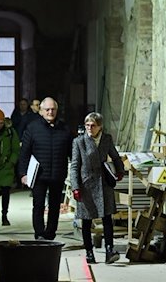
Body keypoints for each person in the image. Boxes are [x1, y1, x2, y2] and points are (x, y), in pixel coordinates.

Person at [70, 112, 124, 264]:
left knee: (107, 218)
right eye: (87, 125)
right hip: (86, 185)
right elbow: (74, 166)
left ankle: (109, 250)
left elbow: (115, 155)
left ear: (100, 127)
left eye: (93, 125)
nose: (89, 128)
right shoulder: (79, 142)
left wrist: (120, 171)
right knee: (86, 221)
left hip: (104, 183)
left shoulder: (106, 139)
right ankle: (89, 252)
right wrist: (75, 187)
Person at [18, 96, 72, 240]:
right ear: (41, 111)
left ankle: (50, 235)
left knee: (54, 207)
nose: (50, 112)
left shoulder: (65, 129)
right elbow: (24, 153)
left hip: (58, 174)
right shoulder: (33, 128)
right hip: (38, 175)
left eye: (53, 109)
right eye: (47, 109)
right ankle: (39, 234)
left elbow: (72, 153)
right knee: (38, 206)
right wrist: (23, 173)